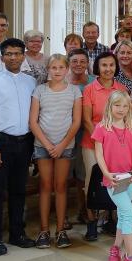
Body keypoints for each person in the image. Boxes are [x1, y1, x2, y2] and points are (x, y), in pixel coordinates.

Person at [0, 38, 37, 256]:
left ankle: (17, 233)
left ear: (23, 56)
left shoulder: (30, 82)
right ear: (2, 57)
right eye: (9, 54)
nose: (13, 57)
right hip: (1, 142)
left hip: (25, 142)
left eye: (17, 53)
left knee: (19, 190)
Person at [29, 54, 82, 249]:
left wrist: (61, 145)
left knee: (60, 186)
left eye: (61, 67)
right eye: (54, 67)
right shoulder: (39, 90)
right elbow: (33, 121)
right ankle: (44, 230)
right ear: (48, 70)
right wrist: (47, 144)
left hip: (64, 145)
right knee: (45, 185)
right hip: (43, 145)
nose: (57, 71)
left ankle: (60, 230)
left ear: (67, 69)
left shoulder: (74, 91)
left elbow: (76, 121)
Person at [92, 91, 132, 261]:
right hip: (114, 180)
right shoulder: (101, 128)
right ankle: (131, 255)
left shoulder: (131, 128)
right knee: (129, 214)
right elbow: (99, 155)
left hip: (130, 178)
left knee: (123, 214)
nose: (121, 109)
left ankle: (115, 249)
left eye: (125, 106)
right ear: (110, 106)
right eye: (117, 105)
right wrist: (107, 174)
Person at [81, 52, 127, 241]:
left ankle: (112, 220)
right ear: (97, 68)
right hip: (93, 143)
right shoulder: (89, 89)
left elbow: (125, 117)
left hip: (117, 145)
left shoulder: (122, 89)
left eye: (111, 65)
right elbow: (87, 119)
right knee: (91, 182)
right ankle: (92, 222)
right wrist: (101, 141)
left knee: (117, 182)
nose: (108, 69)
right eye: (104, 65)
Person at [65, 49, 93, 224]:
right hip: (65, 134)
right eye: (74, 61)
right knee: (65, 174)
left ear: (87, 63)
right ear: (69, 63)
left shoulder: (93, 82)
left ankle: (83, 209)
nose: (78, 65)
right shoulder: (62, 81)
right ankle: (64, 214)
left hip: (87, 133)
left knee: (83, 175)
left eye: (82, 61)